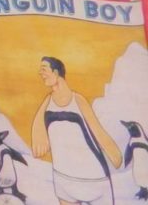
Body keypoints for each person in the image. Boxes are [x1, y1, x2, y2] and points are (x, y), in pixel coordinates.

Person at [31, 56, 122, 205]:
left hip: (94, 180)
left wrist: (115, 155)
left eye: (44, 69)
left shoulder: (77, 100)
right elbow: (38, 129)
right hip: (64, 180)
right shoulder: (46, 103)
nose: (40, 73)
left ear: (56, 72)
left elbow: (97, 130)